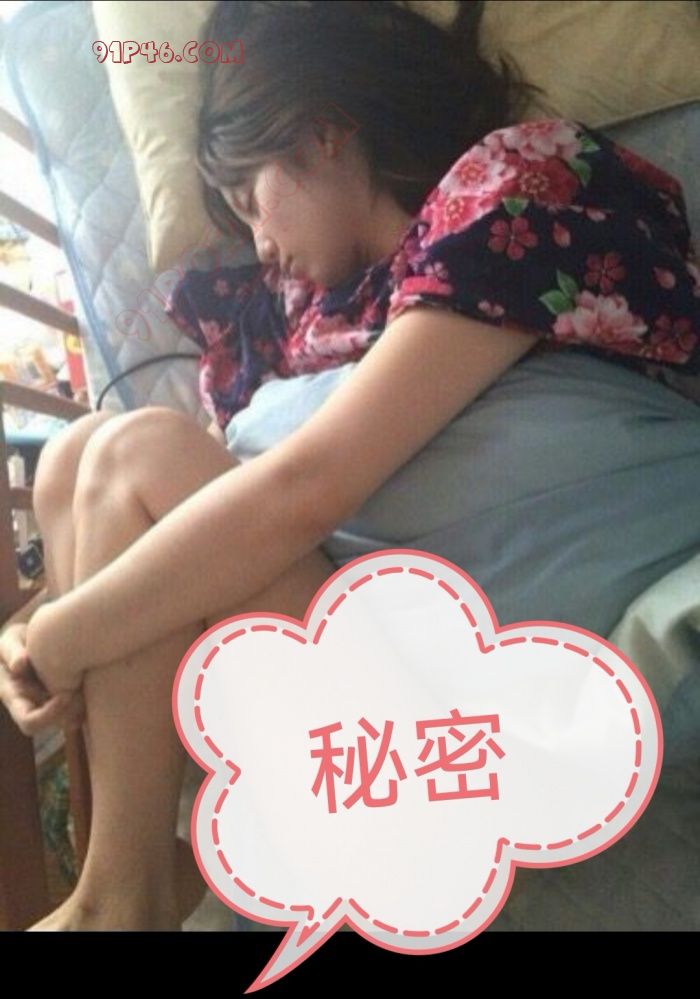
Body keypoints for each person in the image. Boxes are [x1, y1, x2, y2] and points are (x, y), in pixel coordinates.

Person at [1, 0, 698, 933]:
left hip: (475, 665)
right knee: (71, 457)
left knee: (137, 451)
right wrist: (51, 624)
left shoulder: (518, 187)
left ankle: (118, 902)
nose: (257, 244)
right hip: (365, 633)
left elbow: (303, 489)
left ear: (321, 133)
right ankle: (121, 877)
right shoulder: (302, 320)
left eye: (249, 199)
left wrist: (65, 635)